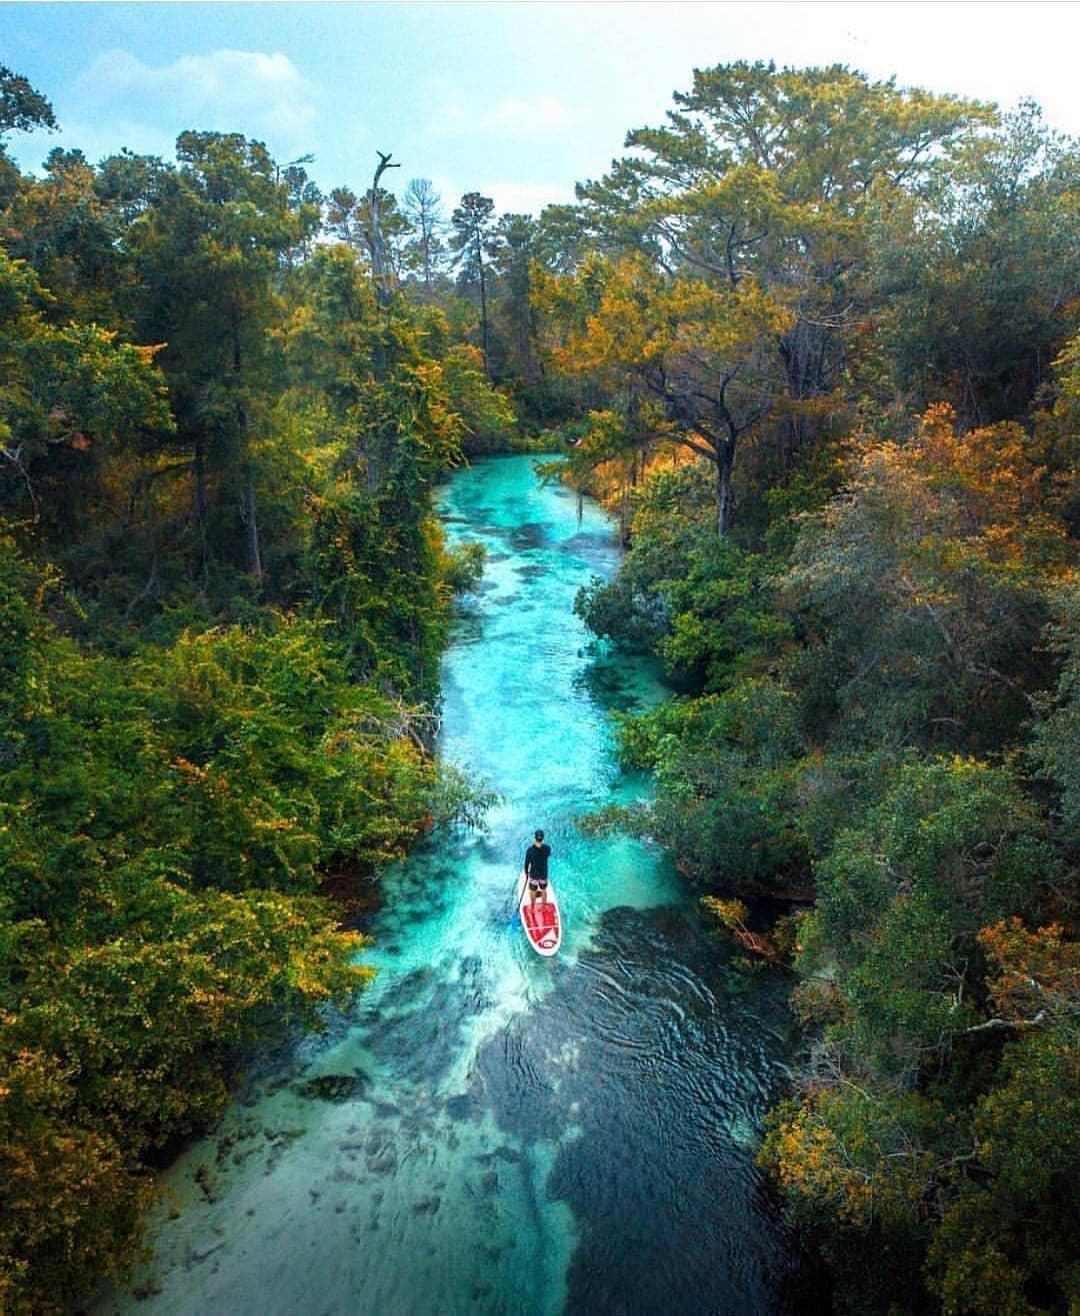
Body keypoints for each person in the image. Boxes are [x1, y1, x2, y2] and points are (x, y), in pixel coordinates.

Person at [523, 830, 551, 905]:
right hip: (543, 874)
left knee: (533, 891)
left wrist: (526, 873)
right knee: (543, 890)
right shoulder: (547, 848)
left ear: (535, 838)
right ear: (543, 839)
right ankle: (544, 906)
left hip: (534, 874)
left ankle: (532, 907)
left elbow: (526, 864)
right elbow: (548, 854)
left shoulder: (530, 850)